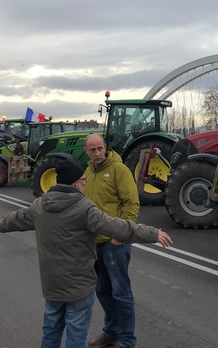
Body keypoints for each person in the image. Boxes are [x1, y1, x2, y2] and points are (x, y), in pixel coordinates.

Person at [0, 158, 172, 348]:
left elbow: (18, 218)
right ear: (75, 183)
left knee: (51, 329)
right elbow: (117, 227)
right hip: (79, 287)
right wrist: (153, 233)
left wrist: (1, 225)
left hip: (52, 285)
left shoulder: (39, 205)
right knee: (77, 334)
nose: (85, 184)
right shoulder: (84, 208)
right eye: (84, 181)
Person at [83, 134, 141, 348]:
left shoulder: (119, 170)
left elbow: (132, 203)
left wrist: (122, 234)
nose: (97, 153)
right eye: (93, 150)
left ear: (105, 148)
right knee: (103, 291)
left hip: (115, 243)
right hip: (94, 244)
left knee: (121, 293)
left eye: (100, 148)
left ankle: (127, 340)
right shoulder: (88, 172)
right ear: (86, 151)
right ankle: (112, 332)